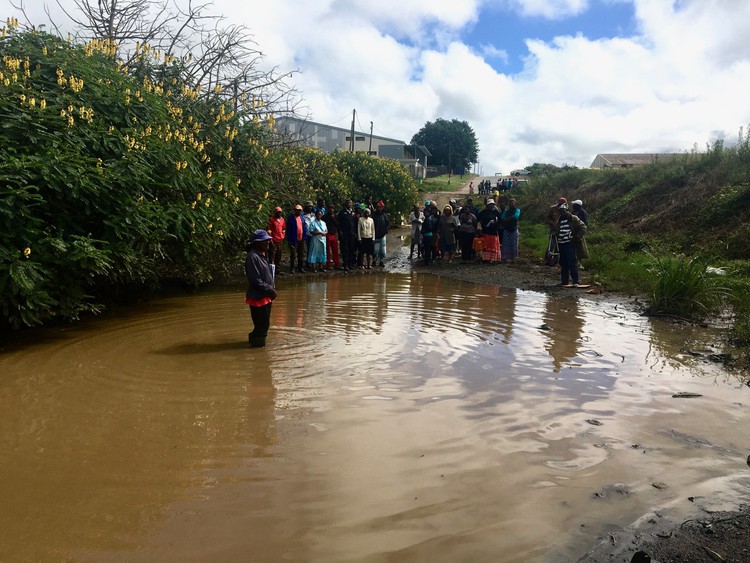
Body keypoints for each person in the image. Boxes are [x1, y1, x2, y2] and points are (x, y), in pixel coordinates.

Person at [245, 229, 278, 348]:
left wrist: (272, 254)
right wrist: (270, 290)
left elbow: (268, 272)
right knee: (262, 326)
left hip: (264, 296)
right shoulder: (252, 257)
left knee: (262, 325)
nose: (268, 243)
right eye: (265, 241)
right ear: (258, 243)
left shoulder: (261, 255)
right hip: (259, 296)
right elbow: (256, 281)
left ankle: (254, 342)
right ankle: (258, 353)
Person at [556, 202, 587, 287]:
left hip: (570, 243)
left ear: (567, 210)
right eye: (560, 211)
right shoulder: (559, 220)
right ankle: (564, 281)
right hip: (561, 244)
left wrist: (576, 237)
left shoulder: (573, 218)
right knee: (563, 263)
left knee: (572, 262)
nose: (562, 213)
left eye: (563, 211)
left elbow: (583, 227)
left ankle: (575, 281)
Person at [478, 198, 502, 263]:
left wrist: (497, 224)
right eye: (490, 205)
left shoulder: (496, 212)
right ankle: (486, 258)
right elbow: (478, 219)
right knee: (486, 245)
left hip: (494, 231)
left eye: (492, 205)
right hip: (486, 231)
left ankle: (493, 258)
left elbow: (500, 220)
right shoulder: (484, 212)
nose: (491, 206)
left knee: (493, 245)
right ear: (487, 205)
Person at [286, 204, 308, 273]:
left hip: (301, 239)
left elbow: (304, 228)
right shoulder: (291, 219)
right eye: (297, 210)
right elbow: (288, 230)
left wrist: (305, 237)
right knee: (293, 254)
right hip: (293, 239)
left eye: (299, 210)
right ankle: (292, 268)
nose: (298, 212)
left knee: (301, 254)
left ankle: (300, 268)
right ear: (295, 211)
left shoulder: (302, 218)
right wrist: (289, 240)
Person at [337, 199, 358, 271]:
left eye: (350, 203)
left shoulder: (353, 213)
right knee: (345, 249)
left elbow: (355, 223)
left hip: (352, 234)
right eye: (348, 203)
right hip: (344, 234)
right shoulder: (341, 212)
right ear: (345, 204)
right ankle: (345, 264)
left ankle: (350, 264)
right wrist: (340, 232)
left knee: (352, 249)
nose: (349, 204)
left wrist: (355, 233)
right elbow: (338, 223)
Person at [501, 198, 520, 262]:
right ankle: (506, 257)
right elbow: (502, 217)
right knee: (506, 243)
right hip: (507, 229)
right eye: (510, 203)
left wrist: (508, 218)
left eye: (513, 203)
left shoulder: (517, 210)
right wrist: (510, 218)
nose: (512, 204)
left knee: (514, 243)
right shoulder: (506, 211)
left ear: (515, 203)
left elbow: (516, 216)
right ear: (509, 204)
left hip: (513, 229)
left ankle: (514, 257)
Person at [266, 206, 286, 271]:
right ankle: (270, 270)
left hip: (280, 240)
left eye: (280, 212)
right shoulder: (271, 219)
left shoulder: (282, 220)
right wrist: (270, 240)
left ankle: (277, 270)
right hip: (273, 240)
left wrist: (283, 236)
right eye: (277, 212)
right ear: (275, 212)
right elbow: (269, 230)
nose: (279, 213)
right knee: (272, 256)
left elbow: (284, 229)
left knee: (278, 255)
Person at [323, 204, 340, 269]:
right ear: (328, 209)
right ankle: (328, 264)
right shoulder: (324, 217)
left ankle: (337, 263)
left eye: (332, 208)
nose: (331, 209)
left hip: (334, 234)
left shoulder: (335, 216)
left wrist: (333, 219)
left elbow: (338, 225)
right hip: (327, 234)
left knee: (335, 250)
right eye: (330, 208)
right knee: (327, 250)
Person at [372, 200, 389, 267]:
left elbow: (387, 224)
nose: (380, 208)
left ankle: (381, 261)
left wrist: (385, 231)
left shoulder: (385, 215)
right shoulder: (373, 215)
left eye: (381, 207)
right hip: (375, 235)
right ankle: (374, 260)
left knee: (382, 249)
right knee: (375, 249)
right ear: (377, 207)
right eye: (378, 207)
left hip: (383, 234)